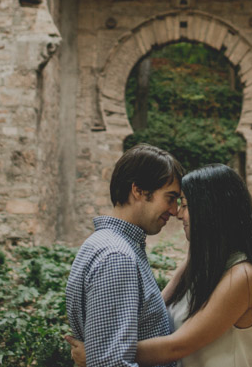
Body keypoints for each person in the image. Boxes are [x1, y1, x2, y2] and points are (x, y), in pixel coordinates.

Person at [69, 163, 252, 367]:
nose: (179, 214)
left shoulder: (241, 276)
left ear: (212, 210)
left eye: (186, 205)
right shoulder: (197, 263)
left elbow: (177, 346)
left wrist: (100, 352)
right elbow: (157, 308)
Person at [65, 143, 185, 367]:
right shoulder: (116, 257)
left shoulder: (103, 244)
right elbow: (110, 364)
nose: (174, 210)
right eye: (170, 198)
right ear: (138, 190)